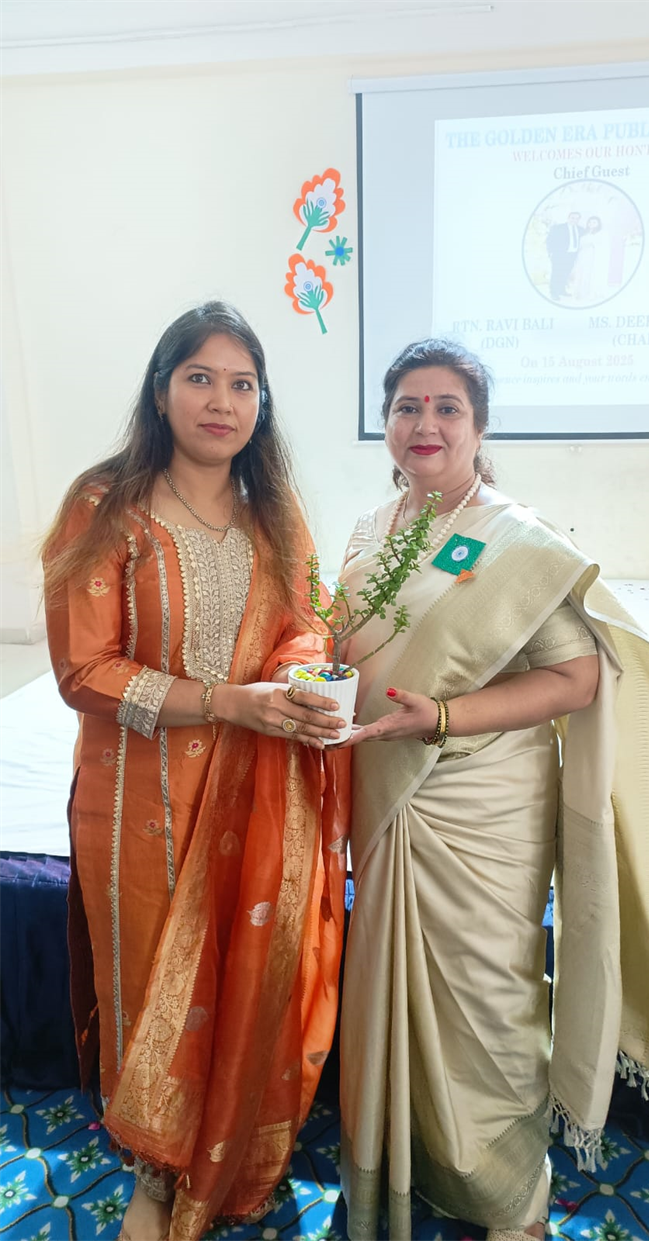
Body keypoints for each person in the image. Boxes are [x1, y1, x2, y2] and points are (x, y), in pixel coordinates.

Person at [336, 339, 649, 1241]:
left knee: (488, 1001)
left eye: (447, 407)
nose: (425, 423)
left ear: (480, 426)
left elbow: (577, 676)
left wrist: (444, 717)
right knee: (391, 995)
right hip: (388, 794)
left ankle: (510, 1201)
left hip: (483, 806)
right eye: (408, 406)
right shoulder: (368, 530)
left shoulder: (518, 541)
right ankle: (411, 1160)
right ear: (386, 424)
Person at [42, 302, 350, 1241]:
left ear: (262, 401)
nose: (223, 401)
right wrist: (225, 702)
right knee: (150, 983)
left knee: (243, 974)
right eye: (201, 378)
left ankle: (226, 1148)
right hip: (141, 799)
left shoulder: (274, 511)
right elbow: (82, 671)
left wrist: (298, 675)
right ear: (162, 389)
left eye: (242, 384)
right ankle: (154, 1165)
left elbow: (310, 621)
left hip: (258, 795)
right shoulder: (106, 504)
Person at [570, 216, 609, 303]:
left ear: (598, 224)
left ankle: (591, 293)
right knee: (582, 273)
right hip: (583, 256)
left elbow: (602, 246)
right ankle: (580, 293)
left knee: (591, 274)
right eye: (590, 222)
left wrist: (591, 243)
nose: (591, 224)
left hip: (593, 257)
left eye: (594, 222)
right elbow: (580, 245)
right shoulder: (585, 233)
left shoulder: (601, 234)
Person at [545, 210, 583, 300]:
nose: (574, 220)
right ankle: (553, 292)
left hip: (572, 256)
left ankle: (561, 290)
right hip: (559, 255)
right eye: (572, 218)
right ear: (568, 218)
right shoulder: (558, 228)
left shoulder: (581, 229)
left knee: (565, 274)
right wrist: (550, 252)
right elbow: (549, 240)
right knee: (556, 273)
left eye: (577, 218)